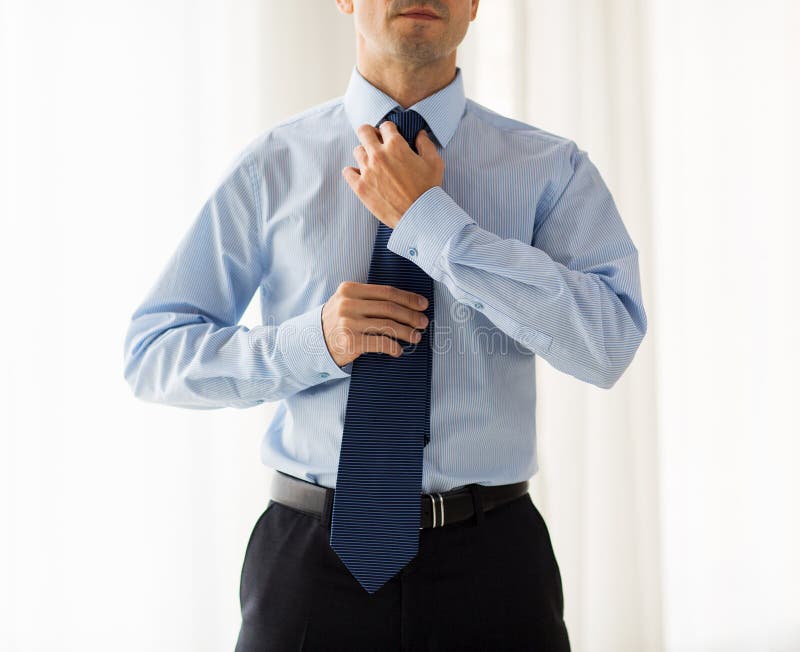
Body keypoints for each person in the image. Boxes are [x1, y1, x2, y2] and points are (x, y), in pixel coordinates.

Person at [123, 0, 647, 649]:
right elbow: (153, 352)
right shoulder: (272, 166)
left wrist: (433, 222)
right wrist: (310, 342)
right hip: (311, 566)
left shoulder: (551, 171)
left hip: (496, 569)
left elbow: (607, 343)